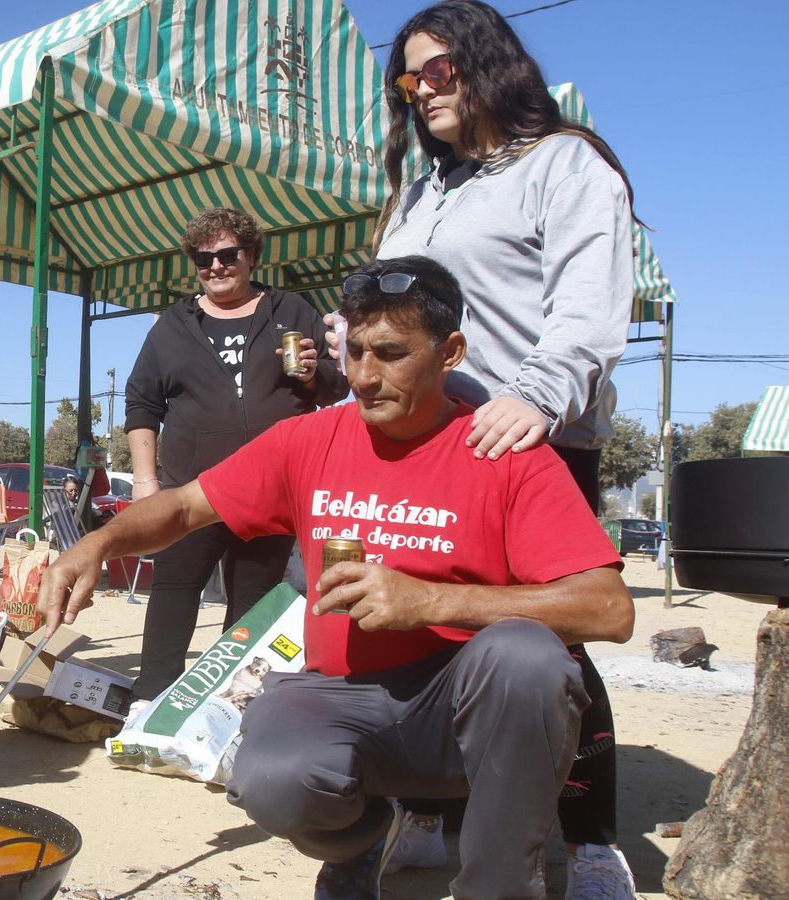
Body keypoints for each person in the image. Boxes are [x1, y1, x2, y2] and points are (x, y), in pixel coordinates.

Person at [42, 256, 634, 899]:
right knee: (269, 777)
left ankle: (496, 887)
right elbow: (186, 505)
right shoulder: (310, 439)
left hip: (463, 707)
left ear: (451, 352)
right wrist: (99, 542)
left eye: (390, 353)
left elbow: (608, 608)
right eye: (353, 353)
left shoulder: (503, 450)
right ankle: (361, 840)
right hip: (341, 694)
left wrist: (429, 599)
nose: (365, 377)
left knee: (529, 659)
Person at [338, 3, 640, 892]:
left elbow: (590, 305)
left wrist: (536, 397)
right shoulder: (423, 190)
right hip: (426, 440)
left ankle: (587, 841)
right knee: (422, 620)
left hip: (526, 434)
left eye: (438, 71)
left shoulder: (564, 164)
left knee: (546, 644)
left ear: (486, 65)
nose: (420, 90)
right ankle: (430, 814)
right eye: (408, 79)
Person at [124, 207, 348, 701]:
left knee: (251, 606)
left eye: (227, 255)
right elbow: (142, 403)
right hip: (190, 490)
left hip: (270, 491)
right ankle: (150, 697)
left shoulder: (291, 311)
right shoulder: (172, 326)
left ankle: (230, 705)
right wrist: (145, 483)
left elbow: (337, 386)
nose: (216, 267)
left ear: (250, 257)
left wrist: (312, 373)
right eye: (204, 259)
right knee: (173, 594)